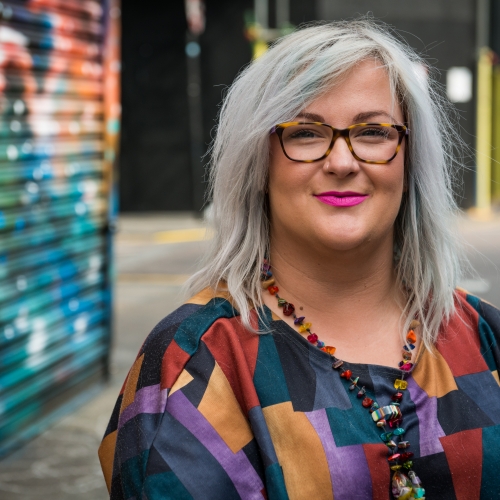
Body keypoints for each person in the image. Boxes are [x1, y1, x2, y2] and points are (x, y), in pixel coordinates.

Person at [99, 20, 500, 499]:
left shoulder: (483, 336)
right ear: (258, 163)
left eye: (372, 131)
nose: (342, 161)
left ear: (410, 159)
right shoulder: (194, 363)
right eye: (306, 133)